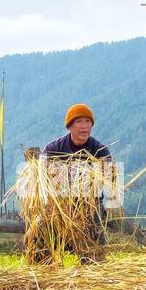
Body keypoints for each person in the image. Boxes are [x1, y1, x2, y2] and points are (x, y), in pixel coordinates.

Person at [41, 103, 116, 259]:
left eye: (88, 122)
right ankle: (44, 268)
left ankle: (93, 267)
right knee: (40, 224)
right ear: (70, 126)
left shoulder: (99, 150)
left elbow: (109, 178)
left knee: (94, 228)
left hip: (89, 205)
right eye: (79, 122)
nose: (84, 127)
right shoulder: (54, 148)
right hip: (59, 206)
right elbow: (42, 178)